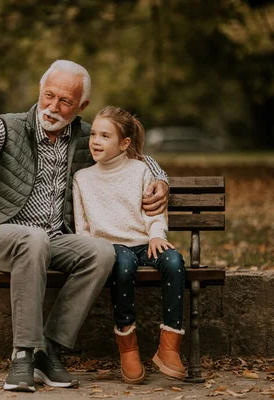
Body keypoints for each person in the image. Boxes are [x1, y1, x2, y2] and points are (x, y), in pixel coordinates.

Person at [0, 61, 169, 392]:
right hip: (0, 233)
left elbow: (136, 155)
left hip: (53, 240)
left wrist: (160, 178)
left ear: (81, 106)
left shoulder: (88, 137)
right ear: (40, 92)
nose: (53, 107)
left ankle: (49, 350)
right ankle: (22, 354)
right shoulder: (9, 127)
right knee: (33, 239)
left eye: (65, 101)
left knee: (101, 253)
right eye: (48, 96)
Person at [72, 106, 186, 384]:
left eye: (105, 136)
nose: (96, 141)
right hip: (110, 248)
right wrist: (92, 250)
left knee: (174, 261)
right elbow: (83, 225)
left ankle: (169, 347)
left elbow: (153, 211)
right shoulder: (82, 178)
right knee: (122, 266)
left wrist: (158, 234)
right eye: (94, 135)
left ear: (124, 144)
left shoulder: (141, 170)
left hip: (144, 242)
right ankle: (128, 346)